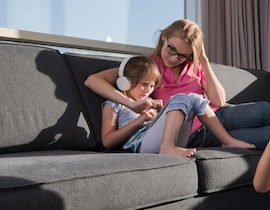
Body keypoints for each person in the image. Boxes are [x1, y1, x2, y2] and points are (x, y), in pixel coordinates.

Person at [85, 19, 270, 149]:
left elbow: (219, 101)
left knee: (266, 110)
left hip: (217, 114)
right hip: (195, 132)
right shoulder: (147, 67)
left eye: (183, 55)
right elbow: (92, 80)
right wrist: (130, 104)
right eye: (171, 49)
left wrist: (202, 59)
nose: (174, 58)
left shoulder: (193, 65)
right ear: (164, 38)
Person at [101, 55, 254, 156]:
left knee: (194, 98)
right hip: (141, 145)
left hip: (166, 138)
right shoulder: (115, 104)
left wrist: (161, 113)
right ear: (125, 82)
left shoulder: (149, 102)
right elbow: (107, 141)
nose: (148, 90)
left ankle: (226, 141)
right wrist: (138, 121)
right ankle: (167, 146)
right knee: (179, 98)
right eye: (143, 85)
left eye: (152, 86)